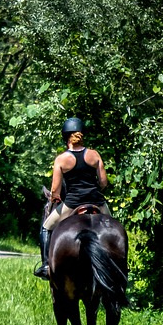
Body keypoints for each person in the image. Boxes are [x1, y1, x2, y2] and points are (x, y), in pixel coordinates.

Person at [34, 116, 110, 280]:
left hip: (73, 202)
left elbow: (55, 190)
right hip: (97, 201)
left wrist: (55, 198)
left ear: (65, 137)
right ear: (82, 135)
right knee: (113, 227)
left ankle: (46, 265)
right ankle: (117, 265)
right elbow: (104, 182)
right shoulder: (94, 155)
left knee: (46, 227)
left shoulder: (61, 159)